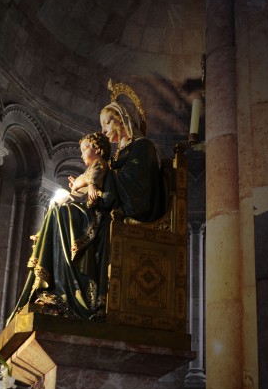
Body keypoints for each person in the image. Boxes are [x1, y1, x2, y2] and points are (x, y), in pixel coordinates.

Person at [9, 95, 163, 321]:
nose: (103, 130)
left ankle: (75, 296)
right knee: (57, 212)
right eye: (102, 126)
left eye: (106, 123)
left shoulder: (143, 147)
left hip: (121, 214)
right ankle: (55, 292)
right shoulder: (116, 156)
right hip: (104, 209)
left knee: (64, 215)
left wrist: (93, 180)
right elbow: (101, 180)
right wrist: (90, 181)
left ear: (120, 120)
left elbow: (137, 191)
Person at [66, 131, 111, 206]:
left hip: (85, 196)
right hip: (82, 195)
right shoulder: (93, 165)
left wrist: (91, 185)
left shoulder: (99, 162)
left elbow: (95, 175)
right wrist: (76, 183)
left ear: (97, 149)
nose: (81, 155)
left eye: (84, 150)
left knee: (62, 205)